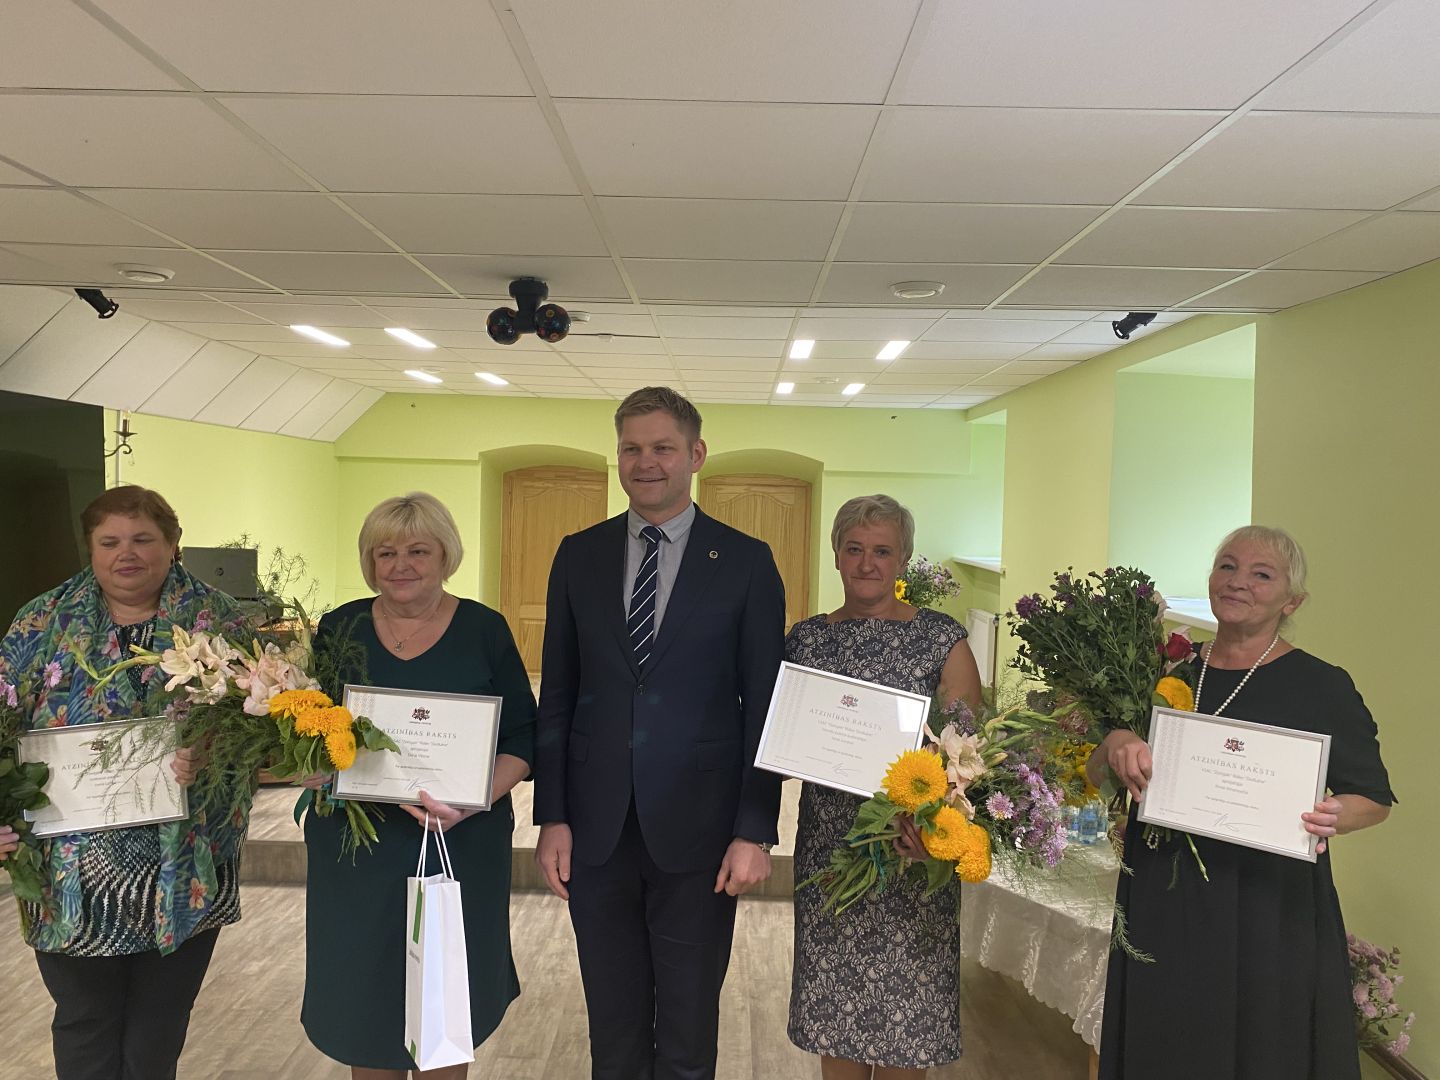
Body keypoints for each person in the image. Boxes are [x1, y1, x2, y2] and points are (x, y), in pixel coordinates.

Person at [533, 385, 786, 1080]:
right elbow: (557, 695)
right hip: (596, 831)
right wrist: (552, 816)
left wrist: (754, 828)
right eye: (631, 448)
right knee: (612, 1027)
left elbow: (765, 705)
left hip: (702, 831)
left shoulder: (745, 561)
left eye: (663, 448)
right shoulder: (578, 555)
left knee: (686, 1029)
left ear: (696, 455)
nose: (646, 463)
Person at [1092, 526, 1395, 1080]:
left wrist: (1336, 815)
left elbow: (1373, 799)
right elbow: (1097, 772)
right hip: (1165, 891)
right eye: (1227, 566)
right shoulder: (1161, 670)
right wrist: (1115, 743)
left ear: (1292, 601)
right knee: (1166, 1036)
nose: (1237, 582)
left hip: (1266, 903)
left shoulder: (1322, 685)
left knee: (1262, 1045)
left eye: (1262, 575)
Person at [0, 485, 248, 1080]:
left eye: (142, 539)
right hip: (71, 868)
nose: (126, 554)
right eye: (109, 542)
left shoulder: (221, 621)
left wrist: (213, 749)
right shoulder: (41, 621)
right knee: (85, 1020)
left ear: (173, 544)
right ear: (90, 548)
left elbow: (260, 725)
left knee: (159, 1026)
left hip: (185, 858)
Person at [299, 492, 536, 1080]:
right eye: (386, 553)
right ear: (369, 561)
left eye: (418, 551)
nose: (400, 565)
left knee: (445, 1002)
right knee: (366, 1003)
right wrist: (311, 764)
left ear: (445, 556)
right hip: (358, 852)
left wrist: (471, 800)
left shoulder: (484, 629)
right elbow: (307, 726)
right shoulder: (341, 627)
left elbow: (526, 738)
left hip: (459, 845)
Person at [786, 495, 982, 1080]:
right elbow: (785, 733)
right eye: (854, 549)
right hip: (831, 851)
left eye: (882, 551)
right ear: (836, 555)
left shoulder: (941, 638)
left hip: (911, 854)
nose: (867, 563)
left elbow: (968, 749)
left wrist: (931, 828)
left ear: (903, 561)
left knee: (908, 1032)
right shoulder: (805, 640)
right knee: (836, 1021)